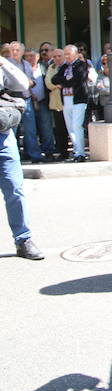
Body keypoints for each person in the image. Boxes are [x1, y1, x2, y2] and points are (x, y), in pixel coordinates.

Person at [0, 55, 43, 259]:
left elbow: (22, 83)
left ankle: (23, 239)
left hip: (3, 139)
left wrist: (3, 62)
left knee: (15, 189)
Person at [50, 45, 90, 162]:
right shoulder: (64, 67)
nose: (66, 56)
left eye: (69, 54)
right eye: (65, 54)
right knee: (70, 127)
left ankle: (80, 153)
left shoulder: (81, 65)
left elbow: (78, 79)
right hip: (66, 99)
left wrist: (63, 83)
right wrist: (66, 81)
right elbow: (54, 79)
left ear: (76, 54)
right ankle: (76, 151)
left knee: (77, 125)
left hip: (78, 99)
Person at [8, 41, 43, 163]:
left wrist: (29, 82)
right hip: (12, 101)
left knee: (30, 130)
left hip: (26, 99)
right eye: (12, 50)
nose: (15, 52)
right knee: (13, 130)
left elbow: (33, 81)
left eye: (17, 50)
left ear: (22, 52)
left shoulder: (26, 64)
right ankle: (13, 156)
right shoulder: (7, 64)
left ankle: (34, 155)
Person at [24, 47, 55, 159]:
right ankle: (31, 153)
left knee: (46, 127)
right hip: (28, 101)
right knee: (30, 129)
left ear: (37, 57)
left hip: (43, 101)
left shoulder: (43, 67)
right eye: (27, 56)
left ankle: (49, 151)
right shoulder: (23, 68)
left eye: (32, 56)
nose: (30, 58)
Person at [44, 48, 69, 161]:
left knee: (72, 128)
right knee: (59, 129)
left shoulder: (68, 66)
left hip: (68, 100)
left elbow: (68, 80)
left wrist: (61, 84)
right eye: (55, 56)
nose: (57, 58)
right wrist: (58, 86)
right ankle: (63, 153)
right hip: (57, 103)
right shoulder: (51, 67)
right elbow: (48, 83)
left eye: (59, 56)